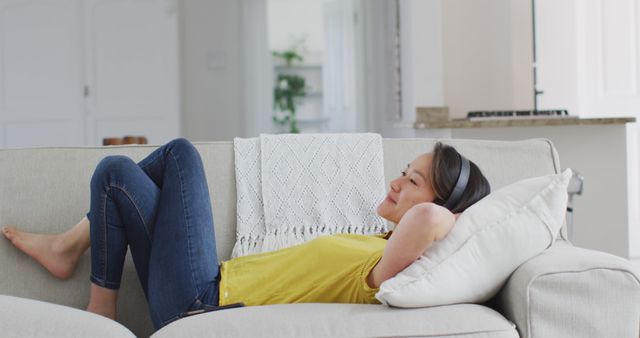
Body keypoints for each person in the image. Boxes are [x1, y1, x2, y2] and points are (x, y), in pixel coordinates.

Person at [1, 138, 490, 330]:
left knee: (181, 155)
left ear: (439, 205)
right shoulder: (377, 244)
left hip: (201, 301)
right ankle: (72, 253)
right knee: (115, 173)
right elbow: (425, 217)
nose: (395, 181)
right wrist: (425, 196)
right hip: (203, 283)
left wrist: (448, 209)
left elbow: (431, 222)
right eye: (403, 170)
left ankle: (99, 308)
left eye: (413, 181)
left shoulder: (388, 273)